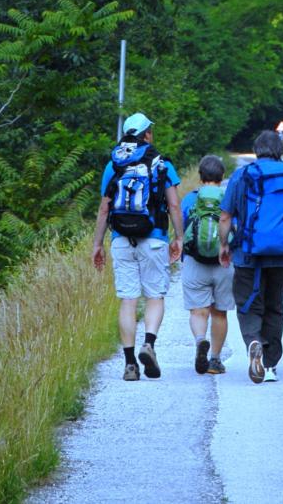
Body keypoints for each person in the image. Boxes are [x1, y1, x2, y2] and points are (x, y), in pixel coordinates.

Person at [91, 112, 183, 382]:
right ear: (146, 135)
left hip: (121, 240)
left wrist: (97, 244)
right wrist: (178, 237)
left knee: (128, 299)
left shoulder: (113, 164)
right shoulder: (161, 163)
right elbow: (174, 205)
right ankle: (149, 344)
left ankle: (130, 364)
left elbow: (104, 209)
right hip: (154, 237)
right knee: (155, 295)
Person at [219, 129, 283, 384]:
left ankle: (253, 341)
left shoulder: (243, 175)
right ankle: (270, 364)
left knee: (248, 303)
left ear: (256, 150)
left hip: (247, 252)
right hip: (282, 253)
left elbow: (225, 216)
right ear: (280, 151)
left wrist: (224, 245)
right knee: (274, 306)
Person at [180, 154, 234, 375]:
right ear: (222, 177)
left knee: (198, 310)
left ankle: (200, 340)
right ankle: (214, 359)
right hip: (224, 262)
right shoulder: (228, 199)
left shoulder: (190, 199)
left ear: (200, 176)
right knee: (219, 313)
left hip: (195, 261)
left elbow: (182, 228)